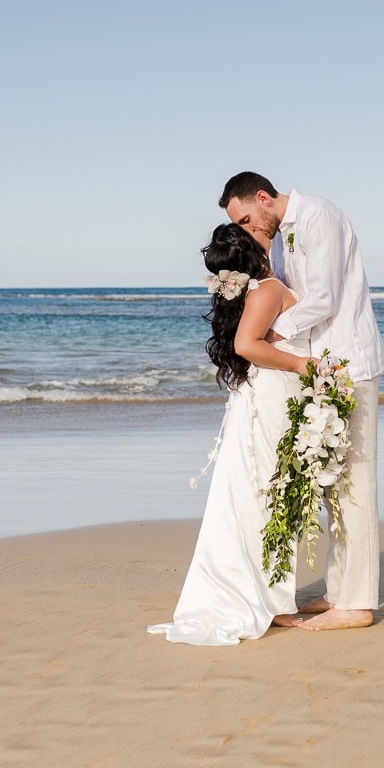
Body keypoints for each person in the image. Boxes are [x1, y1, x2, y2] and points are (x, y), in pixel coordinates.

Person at [220, 172, 384, 631]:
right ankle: (339, 592)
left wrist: (271, 335)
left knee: (354, 480)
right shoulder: (280, 235)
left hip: (349, 363)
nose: (248, 229)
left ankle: (357, 603)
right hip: (322, 368)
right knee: (332, 483)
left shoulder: (317, 218)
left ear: (262, 197)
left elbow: (324, 299)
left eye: (247, 218)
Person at [147, 223, 314, 646]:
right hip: (273, 396)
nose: (263, 231)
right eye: (254, 231)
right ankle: (273, 603)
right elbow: (245, 345)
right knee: (268, 494)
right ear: (253, 249)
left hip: (260, 398)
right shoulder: (269, 288)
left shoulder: (252, 289)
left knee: (251, 493)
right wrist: (303, 367)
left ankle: (267, 595)